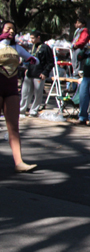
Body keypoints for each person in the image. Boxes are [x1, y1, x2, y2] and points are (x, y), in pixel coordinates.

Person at [0, 20, 38, 172]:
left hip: (11, 90)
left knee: (13, 127)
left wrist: (32, 59)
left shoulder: (16, 47)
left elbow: (34, 59)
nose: (11, 32)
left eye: (13, 30)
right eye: (8, 29)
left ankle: (19, 162)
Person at [20, 30, 54, 117]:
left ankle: (33, 111)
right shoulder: (32, 46)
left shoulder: (45, 48)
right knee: (25, 92)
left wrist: (45, 73)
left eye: (32, 38)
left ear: (38, 37)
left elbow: (50, 62)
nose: (31, 40)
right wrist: (27, 69)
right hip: (30, 73)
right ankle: (22, 110)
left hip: (39, 74)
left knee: (37, 94)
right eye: (30, 38)